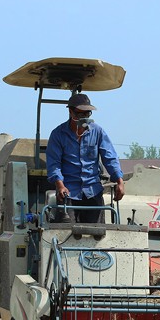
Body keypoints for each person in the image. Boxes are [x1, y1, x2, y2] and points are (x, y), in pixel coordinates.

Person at [46, 93, 125, 223]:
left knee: (96, 236)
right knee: (67, 234)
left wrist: (119, 181)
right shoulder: (58, 134)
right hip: (68, 193)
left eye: (87, 114)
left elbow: (110, 157)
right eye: (79, 114)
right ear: (71, 112)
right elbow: (54, 164)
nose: (83, 117)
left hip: (93, 191)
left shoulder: (98, 132)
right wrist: (60, 185)